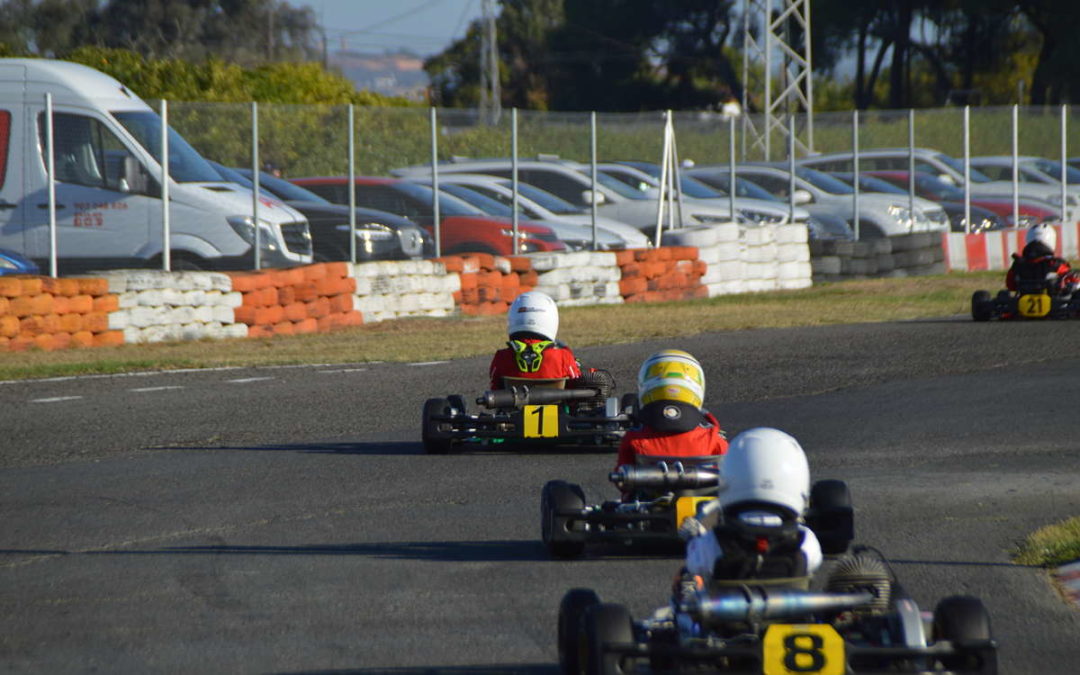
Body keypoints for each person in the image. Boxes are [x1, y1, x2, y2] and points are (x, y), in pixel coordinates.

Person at [680, 427, 823, 585]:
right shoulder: (805, 541)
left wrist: (693, 537)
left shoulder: (711, 543)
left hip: (727, 608)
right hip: (790, 608)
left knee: (684, 581)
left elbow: (694, 564)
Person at [615, 349, 728, 471]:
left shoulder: (634, 437)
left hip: (651, 489)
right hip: (703, 489)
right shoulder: (712, 438)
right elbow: (733, 473)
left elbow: (621, 477)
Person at [488, 291, 582, 390]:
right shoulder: (564, 357)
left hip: (515, 404)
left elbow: (494, 389)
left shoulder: (501, 357)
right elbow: (577, 385)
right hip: (557, 403)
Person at [1006, 224, 1079, 295]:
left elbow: (1011, 286)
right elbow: (1073, 281)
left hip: (1022, 303)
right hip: (1054, 303)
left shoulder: (1018, 264)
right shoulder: (1054, 263)